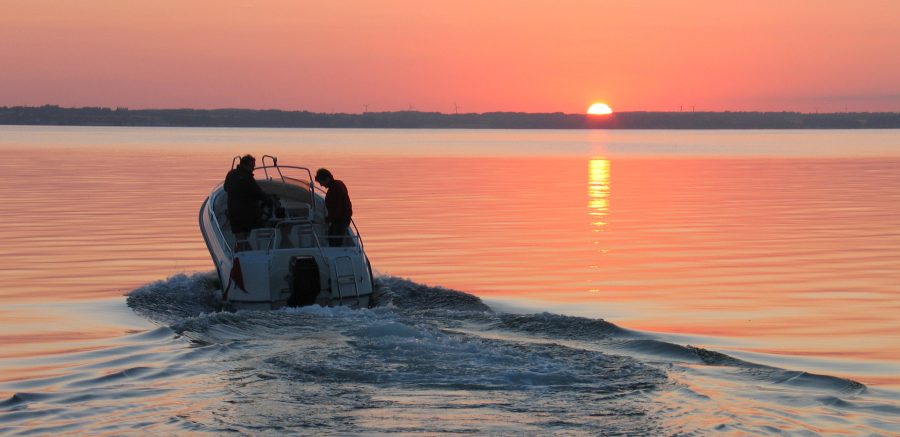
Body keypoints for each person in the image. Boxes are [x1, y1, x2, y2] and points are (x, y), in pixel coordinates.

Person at [224, 155, 271, 238]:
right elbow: (260, 194)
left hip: (233, 214)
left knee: (240, 236)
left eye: (253, 166)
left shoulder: (231, 174)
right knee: (268, 224)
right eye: (252, 166)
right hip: (246, 217)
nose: (253, 168)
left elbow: (225, 188)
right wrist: (271, 201)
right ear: (244, 165)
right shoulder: (248, 179)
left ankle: (241, 246)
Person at [315, 168, 353, 247]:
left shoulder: (336, 188)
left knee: (335, 241)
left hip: (340, 220)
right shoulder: (338, 185)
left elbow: (338, 209)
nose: (321, 185)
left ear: (327, 178)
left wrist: (328, 219)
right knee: (331, 236)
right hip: (339, 219)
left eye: (321, 182)